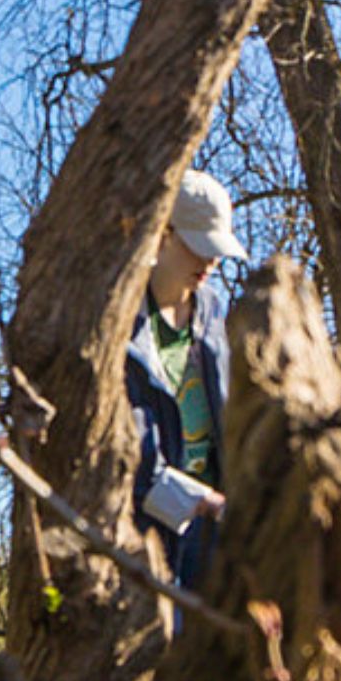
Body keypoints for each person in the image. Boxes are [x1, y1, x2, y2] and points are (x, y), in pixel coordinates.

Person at [125, 172, 239, 590]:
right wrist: (199, 501)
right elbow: (129, 452)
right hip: (146, 535)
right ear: (164, 234)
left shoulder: (212, 313)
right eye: (198, 246)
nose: (210, 262)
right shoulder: (122, 325)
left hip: (215, 537)